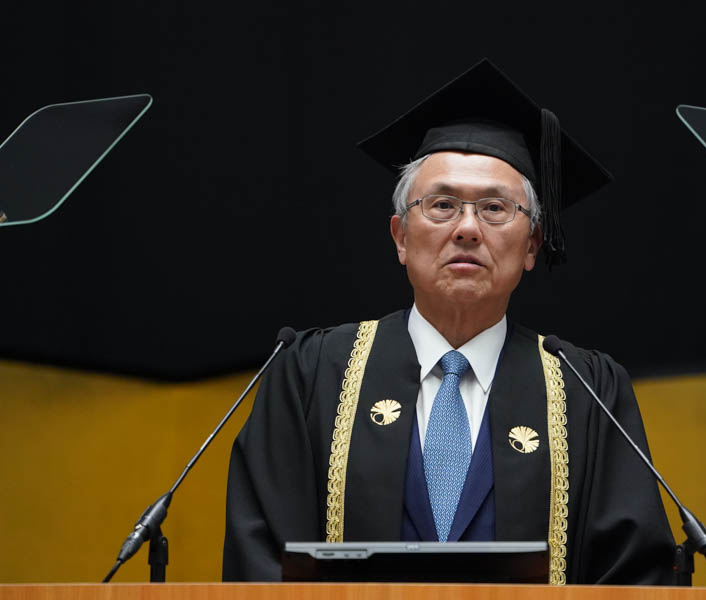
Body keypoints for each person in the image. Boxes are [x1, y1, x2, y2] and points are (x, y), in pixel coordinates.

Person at [222, 59, 675, 584]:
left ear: (532, 245)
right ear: (400, 237)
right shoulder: (311, 375)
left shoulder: (587, 392)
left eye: (494, 208)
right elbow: (263, 566)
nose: (466, 228)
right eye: (442, 205)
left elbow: (632, 579)